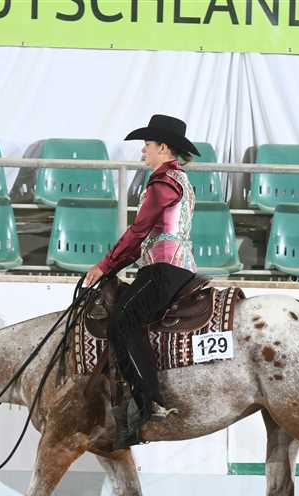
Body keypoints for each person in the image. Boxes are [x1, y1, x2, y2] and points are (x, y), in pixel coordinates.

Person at [83, 114, 200, 450]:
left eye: (147, 145)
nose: (143, 151)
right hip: (177, 267)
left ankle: (149, 403)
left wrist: (105, 266)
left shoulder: (163, 183)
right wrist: (113, 265)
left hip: (163, 269)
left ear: (163, 147)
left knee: (123, 320)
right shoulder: (179, 180)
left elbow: (139, 231)